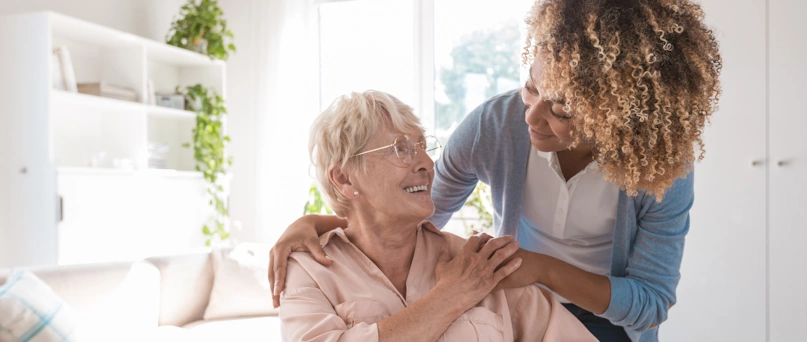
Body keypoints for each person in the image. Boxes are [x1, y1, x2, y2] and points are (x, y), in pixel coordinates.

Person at [271, 0, 721, 341]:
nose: (531, 116)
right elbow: (415, 213)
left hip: (608, 320)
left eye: (560, 107)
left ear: (613, 114)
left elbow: (650, 302)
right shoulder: (494, 124)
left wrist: (541, 268)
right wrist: (319, 222)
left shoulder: (660, 167)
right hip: (518, 296)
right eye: (531, 86)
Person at [279, 90, 597, 341]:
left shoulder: (479, 263)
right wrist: (449, 297)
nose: (427, 164)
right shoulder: (309, 271)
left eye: (422, 146)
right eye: (400, 149)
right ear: (345, 179)